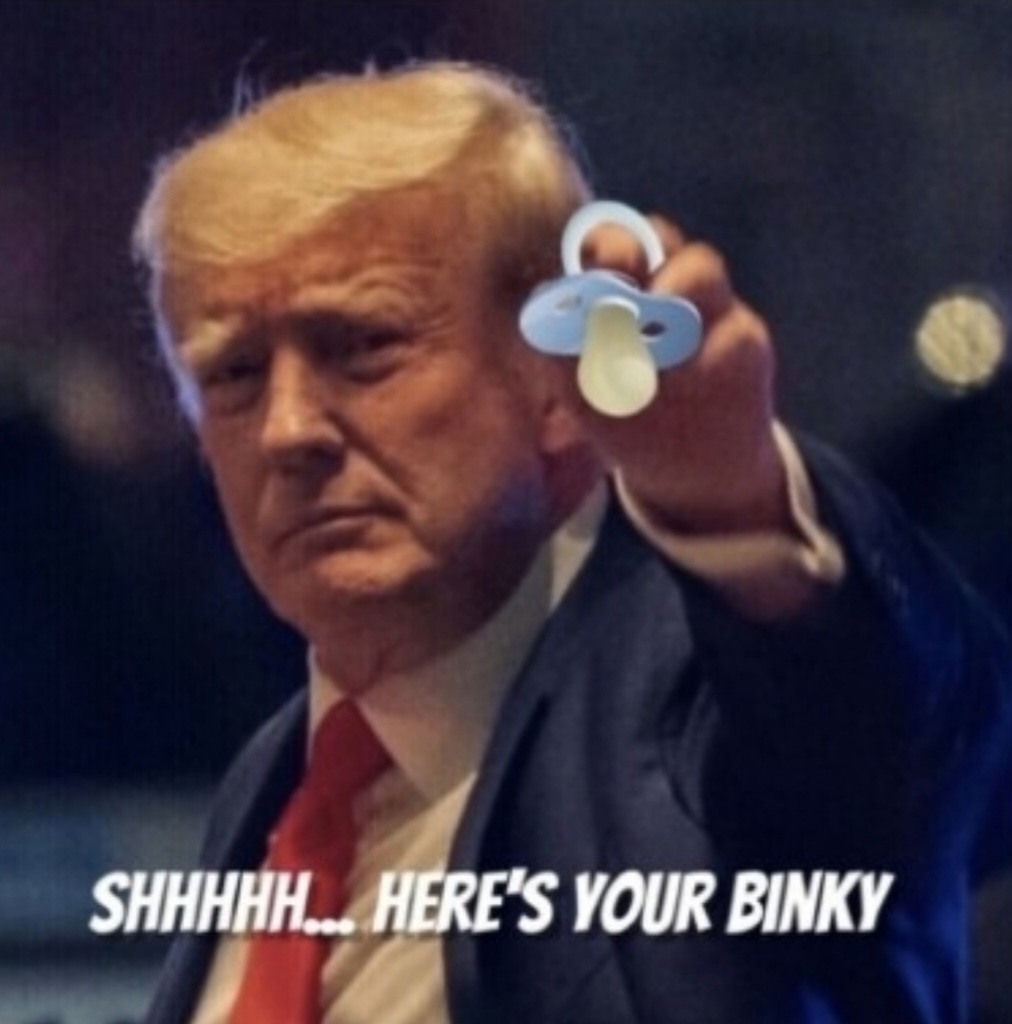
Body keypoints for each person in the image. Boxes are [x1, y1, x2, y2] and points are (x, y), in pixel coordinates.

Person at [133, 61, 1010, 1024]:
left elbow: (892, 714)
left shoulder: (701, 705)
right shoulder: (275, 786)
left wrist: (736, 504)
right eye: (235, 374)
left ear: (558, 376)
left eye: (365, 344)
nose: (288, 428)